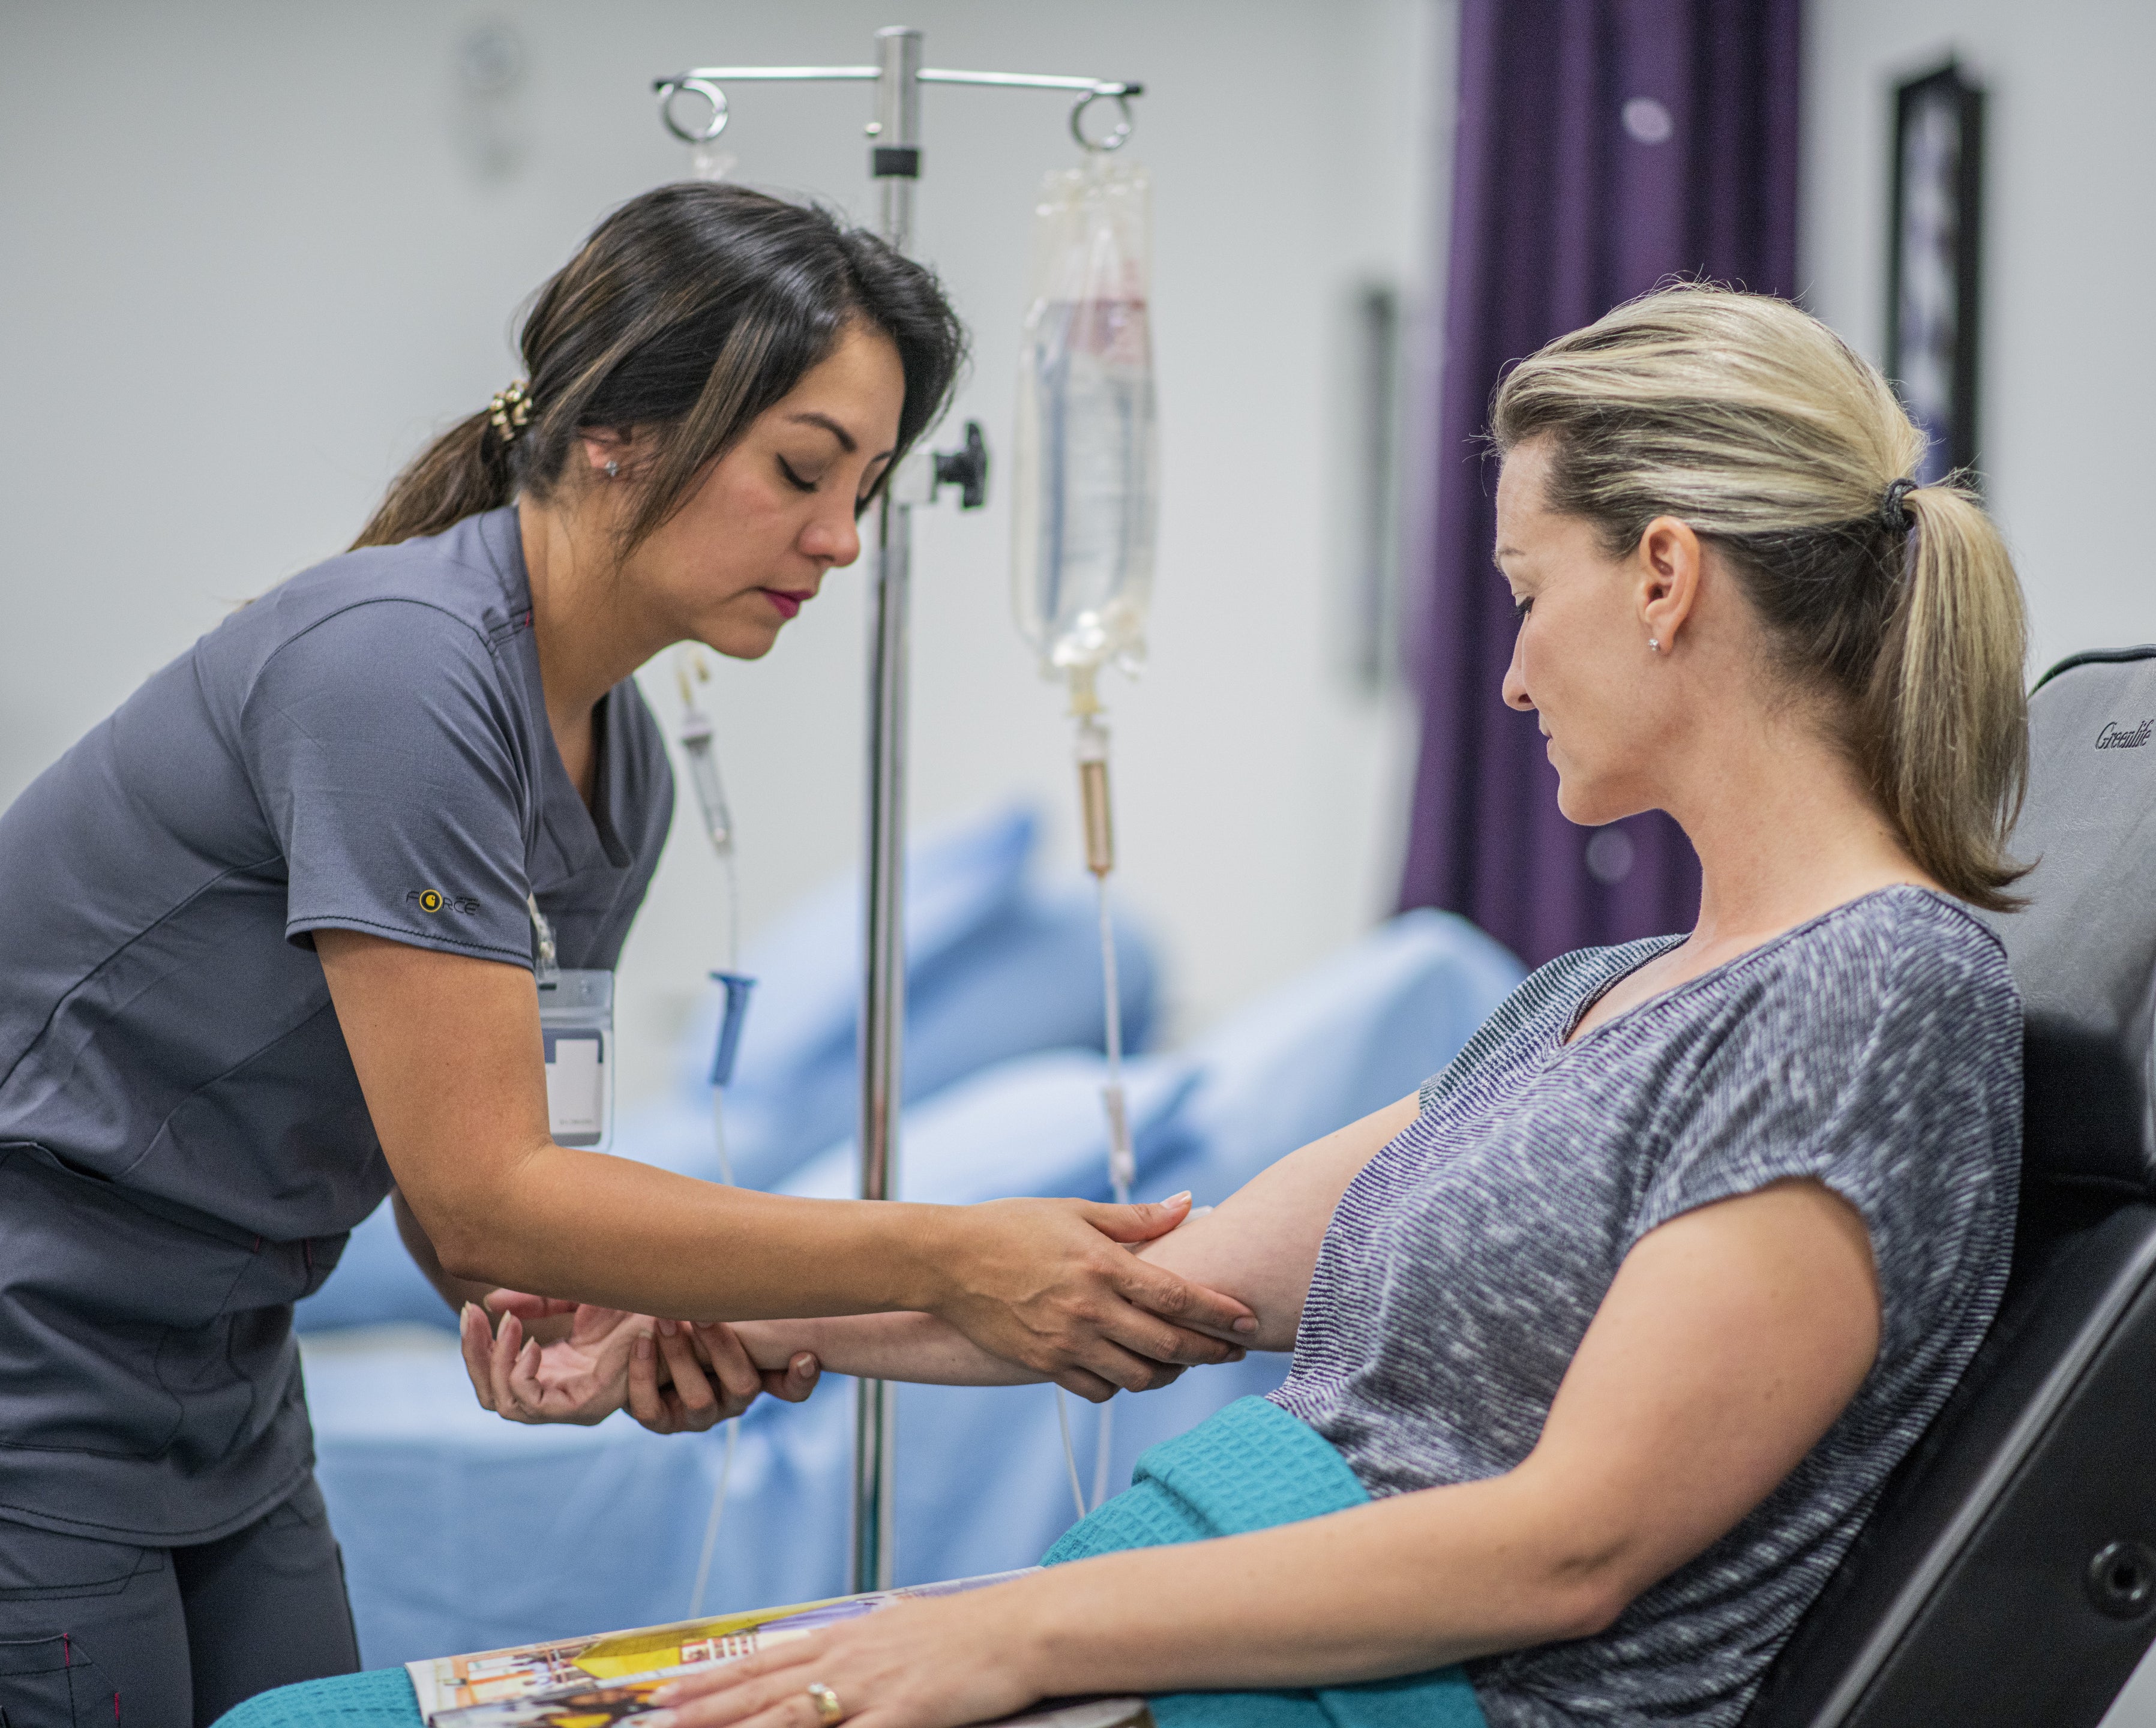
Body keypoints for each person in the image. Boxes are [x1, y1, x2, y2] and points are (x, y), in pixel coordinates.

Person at [469, 284, 2032, 1728]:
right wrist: (714, 1308)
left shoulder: (1876, 992)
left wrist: (997, 1636)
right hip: (1201, 1648)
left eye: (1525, 589)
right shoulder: (1599, 995)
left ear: (1667, 577)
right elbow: (1163, 1284)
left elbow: (1573, 1551)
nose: (1512, 676)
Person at [0, 184, 1255, 1728]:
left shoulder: (618, 766)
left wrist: (631, 1316)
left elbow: (493, 1232)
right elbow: (486, 1192)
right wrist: (950, 1251)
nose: (842, 542)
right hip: (35, 1365)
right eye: (803, 471)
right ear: (619, 433)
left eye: (865, 487)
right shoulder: (392, 668)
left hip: (228, 1391)